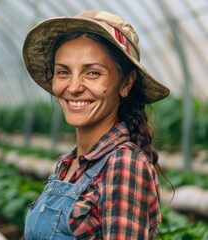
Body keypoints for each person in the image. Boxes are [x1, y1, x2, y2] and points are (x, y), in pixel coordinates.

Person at [22, 10, 170, 239]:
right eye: (63, 72)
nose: (73, 87)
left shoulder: (124, 164)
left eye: (92, 73)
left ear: (126, 83)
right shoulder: (68, 164)